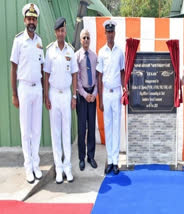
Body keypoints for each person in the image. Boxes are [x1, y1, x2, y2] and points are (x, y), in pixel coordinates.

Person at [10, 3, 44, 184]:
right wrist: (14, 94)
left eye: (34, 19)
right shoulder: (18, 41)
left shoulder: (39, 41)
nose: (31, 21)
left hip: (37, 88)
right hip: (23, 88)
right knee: (26, 131)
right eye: (29, 18)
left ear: (36, 21)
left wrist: (44, 92)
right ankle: (28, 166)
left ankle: (36, 165)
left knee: (36, 129)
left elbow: (41, 66)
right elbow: (13, 68)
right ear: (24, 20)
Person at [44, 17, 78, 184]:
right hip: (53, 94)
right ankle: (58, 168)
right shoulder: (50, 51)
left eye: (63, 30)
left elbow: (75, 74)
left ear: (65, 31)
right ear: (55, 32)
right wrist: (45, 96)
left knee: (66, 131)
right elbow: (46, 75)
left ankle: (67, 167)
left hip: (66, 94)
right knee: (55, 133)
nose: (60, 33)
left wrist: (74, 96)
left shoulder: (70, 51)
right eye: (58, 30)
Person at [97, 20, 125, 175]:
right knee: (108, 127)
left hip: (117, 92)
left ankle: (116, 162)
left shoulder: (120, 52)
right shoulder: (101, 52)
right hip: (106, 93)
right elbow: (99, 76)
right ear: (105, 33)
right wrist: (100, 99)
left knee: (116, 127)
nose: (110, 34)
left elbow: (122, 72)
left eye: (112, 31)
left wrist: (124, 88)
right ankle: (110, 159)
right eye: (108, 32)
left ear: (114, 33)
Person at [75, 29, 98, 171]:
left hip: (92, 95)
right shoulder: (76, 56)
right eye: (84, 37)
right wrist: (84, 94)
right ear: (80, 39)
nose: (86, 40)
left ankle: (91, 156)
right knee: (82, 128)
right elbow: (76, 79)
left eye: (88, 37)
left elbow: (96, 77)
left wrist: (94, 93)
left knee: (92, 129)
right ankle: (81, 158)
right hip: (82, 96)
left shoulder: (94, 56)